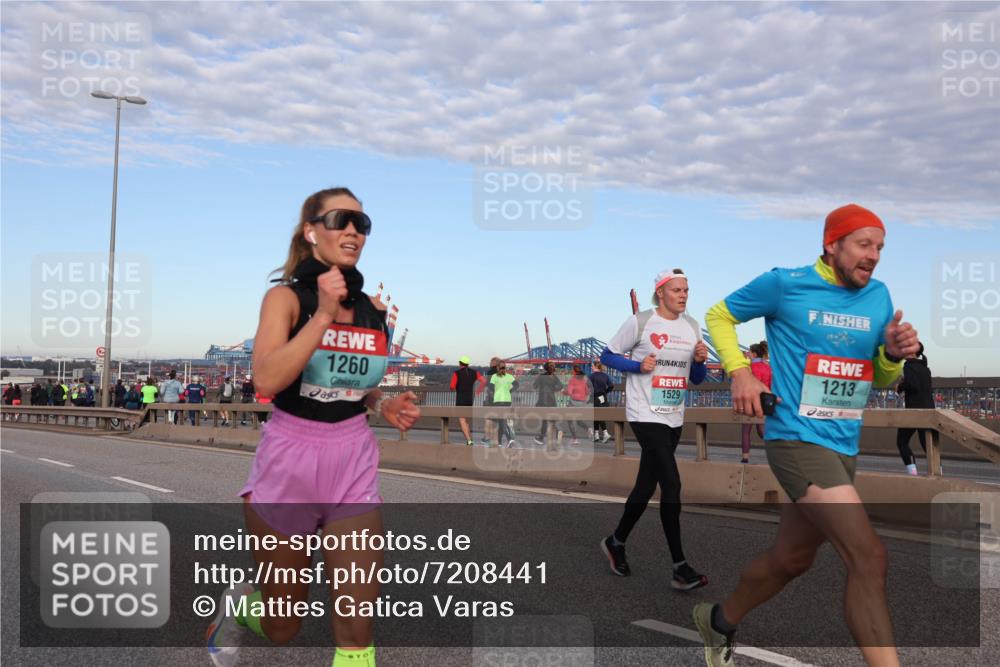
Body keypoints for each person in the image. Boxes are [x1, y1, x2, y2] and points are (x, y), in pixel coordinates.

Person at [694, 204, 920, 667]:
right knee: (868, 557)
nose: (874, 255)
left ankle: (718, 621)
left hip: (843, 445)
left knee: (791, 560)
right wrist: (740, 372)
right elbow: (718, 315)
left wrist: (893, 355)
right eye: (863, 244)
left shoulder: (878, 297)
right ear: (831, 244)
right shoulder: (785, 284)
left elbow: (878, 378)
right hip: (796, 439)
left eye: (880, 247)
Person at [206, 186, 419, 667]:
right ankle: (240, 608)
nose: (353, 231)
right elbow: (267, 379)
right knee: (283, 626)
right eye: (341, 220)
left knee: (357, 628)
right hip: (290, 461)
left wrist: (381, 401)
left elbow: (348, 378)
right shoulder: (285, 298)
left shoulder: (371, 311)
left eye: (362, 224)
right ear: (310, 231)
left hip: (352, 460)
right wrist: (323, 313)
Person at [599, 267, 710, 591]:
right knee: (671, 485)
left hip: (673, 415)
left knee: (646, 487)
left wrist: (699, 361)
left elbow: (697, 379)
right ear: (660, 292)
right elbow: (607, 356)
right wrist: (637, 365)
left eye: (686, 290)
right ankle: (679, 567)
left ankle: (616, 542)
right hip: (644, 412)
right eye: (677, 290)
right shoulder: (641, 321)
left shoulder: (692, 326)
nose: (683, 295)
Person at [896, 343, 933, 475]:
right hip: (929, 411)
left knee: (902, 442)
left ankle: (913, 473)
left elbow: (913, 385)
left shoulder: (909, 366)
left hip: (914, 412)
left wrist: (900, 386)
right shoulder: (925, 368)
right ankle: (938, 472)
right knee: (928, 446)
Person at [740, 342, 772, 464]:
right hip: (764, 401)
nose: (748, 354)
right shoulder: (767, 367)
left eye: (750, 352)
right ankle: (775, 451)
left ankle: (745, 457)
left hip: (750, 401)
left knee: (746, 430)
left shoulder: (749, 367)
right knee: (762, 431)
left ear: (754, 354)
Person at [450, 356, 485, 446]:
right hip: (470, 399)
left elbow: (452, 387)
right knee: (466, 420)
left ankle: (469, 441)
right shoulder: (474, 372)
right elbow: (484, 381)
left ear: (460, 363)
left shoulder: (456, 373)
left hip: (460, 399)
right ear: (468, 364)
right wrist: (478, 391)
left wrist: (455, 388)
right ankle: (470, 439)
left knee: (462, 420)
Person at [532, 361, 563, 446]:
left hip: (543, 401)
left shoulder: (541, 376)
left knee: (545, 420)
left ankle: (541, 438)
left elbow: (534, 386)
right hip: (552, 401)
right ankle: (557, 432)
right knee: (551, 419)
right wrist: (553, 390)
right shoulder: (554, 376)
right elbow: (561, 386)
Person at [487, 361, 518, 447]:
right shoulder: (509, 376)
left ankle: (509, 438)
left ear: (497, 368)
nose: (502, 369)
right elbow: (517, 385)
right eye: (503, 368)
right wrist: (509, 391)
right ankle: (500, 442)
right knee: (502, 421)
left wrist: (496, 392)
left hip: (498, 400)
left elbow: (490, 388)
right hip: (507, 400)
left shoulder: (494, 376)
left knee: (500, 421)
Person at [562, 364, 592, 445]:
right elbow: (587, 392)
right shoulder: (584, 379)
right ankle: (588, 429)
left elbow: (569, 392)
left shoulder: (572, 379)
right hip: (582, 403)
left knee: (570, 420)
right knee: (578, 420)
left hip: (573, 403)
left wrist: (563, 392)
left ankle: (575, 439)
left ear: (574, 371)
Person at [589, 360, 614, 443]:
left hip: (595, 398)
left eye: (592, 365)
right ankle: (596, 434)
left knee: (596, 415)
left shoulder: (591, 376)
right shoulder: (606, 376)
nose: (591, 367)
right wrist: (605, 392)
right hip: (603, 398)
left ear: (596, 366)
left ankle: (605, 433)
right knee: (598, 415)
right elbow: (611, 386)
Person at [480, 357, 501, 445]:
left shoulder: (490, 372)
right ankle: (495, 438)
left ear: (493, 363)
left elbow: (488, 385)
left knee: (488, 418)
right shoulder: (501, 373)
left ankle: (487, 437)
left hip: (491, 398)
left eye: (490, 361)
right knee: (496, 419)